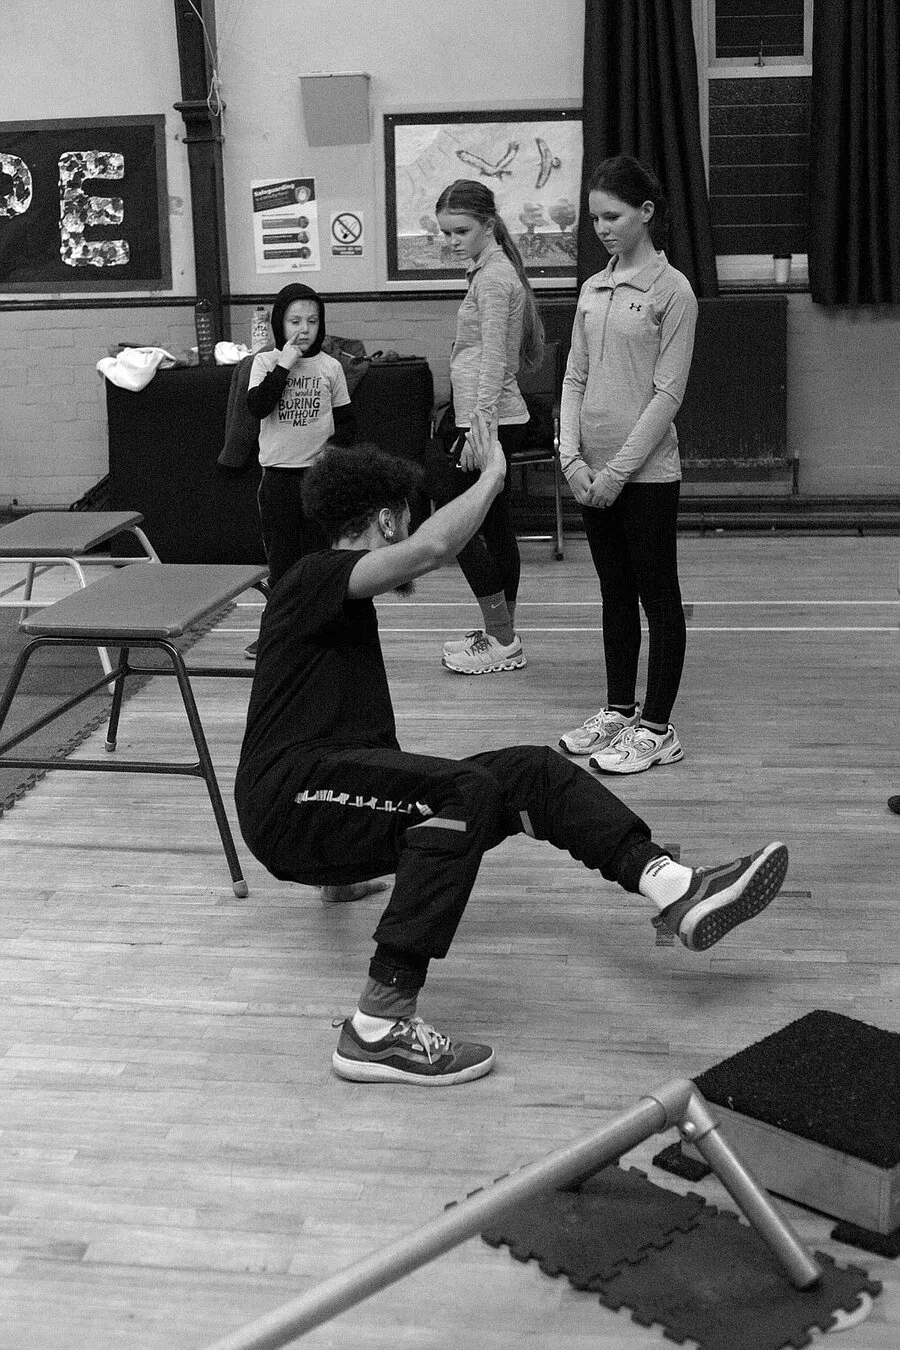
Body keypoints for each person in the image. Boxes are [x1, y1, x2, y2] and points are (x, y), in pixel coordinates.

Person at [233, 420, 789, 1088]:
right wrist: (493, 476)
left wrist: (340, 869)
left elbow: (355, 764)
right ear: (385, 519)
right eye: (405, 517)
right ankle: (378, 1026)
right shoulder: (312, 576)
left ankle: (675, 886)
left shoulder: (338, 605)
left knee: (526, 770)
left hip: (316, 806)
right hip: (284, 802)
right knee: (463, 791)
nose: (410, 528)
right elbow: (435, 547)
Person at [558, 156, 698, 775]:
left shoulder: (674, 293)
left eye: (612, 216)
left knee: (656, 597)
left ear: (645, 213)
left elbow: (668, 395)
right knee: (614, 593)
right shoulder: (593, 289)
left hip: (643, 478)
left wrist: (614, 474)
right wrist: (570, 458)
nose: (602, 228)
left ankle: (659, 728)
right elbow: (574, 375)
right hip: (589, 473)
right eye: (594, 218)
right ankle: (619, 708)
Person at [430, 179, 545, 675]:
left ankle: (501, 637)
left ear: (488, 225)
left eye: (460, 231)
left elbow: (497, 357)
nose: (452, 241)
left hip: (490, 420)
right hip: (486, 416)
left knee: (458, 522)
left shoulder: (496, 279)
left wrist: (480, 427)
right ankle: (503, 637)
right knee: (493, 525)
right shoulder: (485, 273)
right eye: (445, 233)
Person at [243, 282, 356, 658]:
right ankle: (277, 634)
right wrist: (284, 364)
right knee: (282, 562)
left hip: (318, 479)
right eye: (294, 321)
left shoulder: (331, 367)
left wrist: (332, 453)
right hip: (277, 479)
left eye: (312, 320)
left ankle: (320, 629)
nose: (303, 329)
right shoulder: (264, 363)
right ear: (280, 323)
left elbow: (348, 423)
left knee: (320, 558)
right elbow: (258, 407)